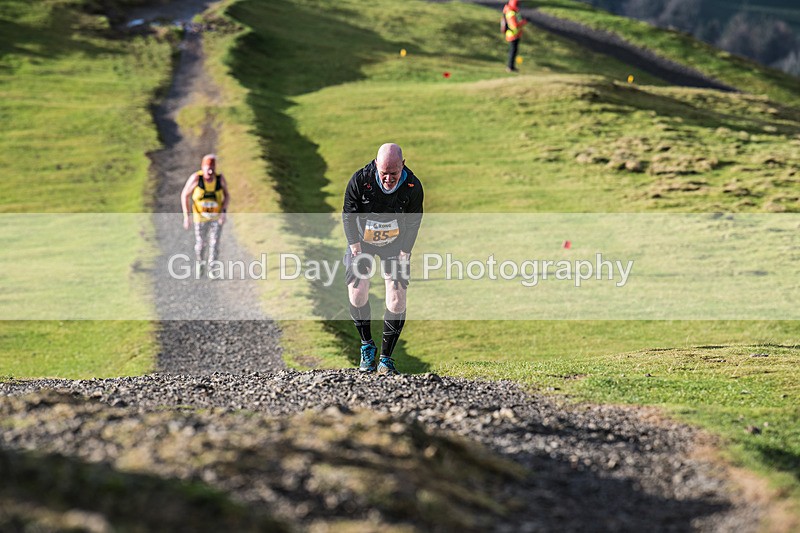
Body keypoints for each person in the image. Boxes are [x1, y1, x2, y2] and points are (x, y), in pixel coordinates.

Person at [342, 143, 424, 376]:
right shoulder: (360, 180)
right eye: (384, 173)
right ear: (376, 165)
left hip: (395, 245)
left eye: (394, 174)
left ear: (403, 165)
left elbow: (414, 222)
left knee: (397, 298)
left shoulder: (412, 186)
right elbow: (348, 213)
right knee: (357, 292)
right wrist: (355, 247)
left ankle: (386, 359)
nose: (388, 179)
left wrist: (405, 253)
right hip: (361, 242)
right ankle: (367, 345)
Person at [180, 154, 230, 277]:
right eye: (207, 168)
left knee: (214, 243)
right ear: (202, 167)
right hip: (200, 218)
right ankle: (200, 263)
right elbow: (184, 195)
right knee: (201, 243)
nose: (210, 171)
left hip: (216, 218)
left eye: (212, 168)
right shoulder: (196, 179)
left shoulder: (219, 179)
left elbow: (227, 196)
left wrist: (223, 212)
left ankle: (212, 270)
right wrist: (187, 216)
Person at [503, 0, 528, 72]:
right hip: (512, 35)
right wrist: (523, 22)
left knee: (514, 51)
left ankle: (511, 66)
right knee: (513, 51)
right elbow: (514, 25)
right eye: (517, 4)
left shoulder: (511, 11)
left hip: (515, 34)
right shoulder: (511, 13)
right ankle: (510, 67)